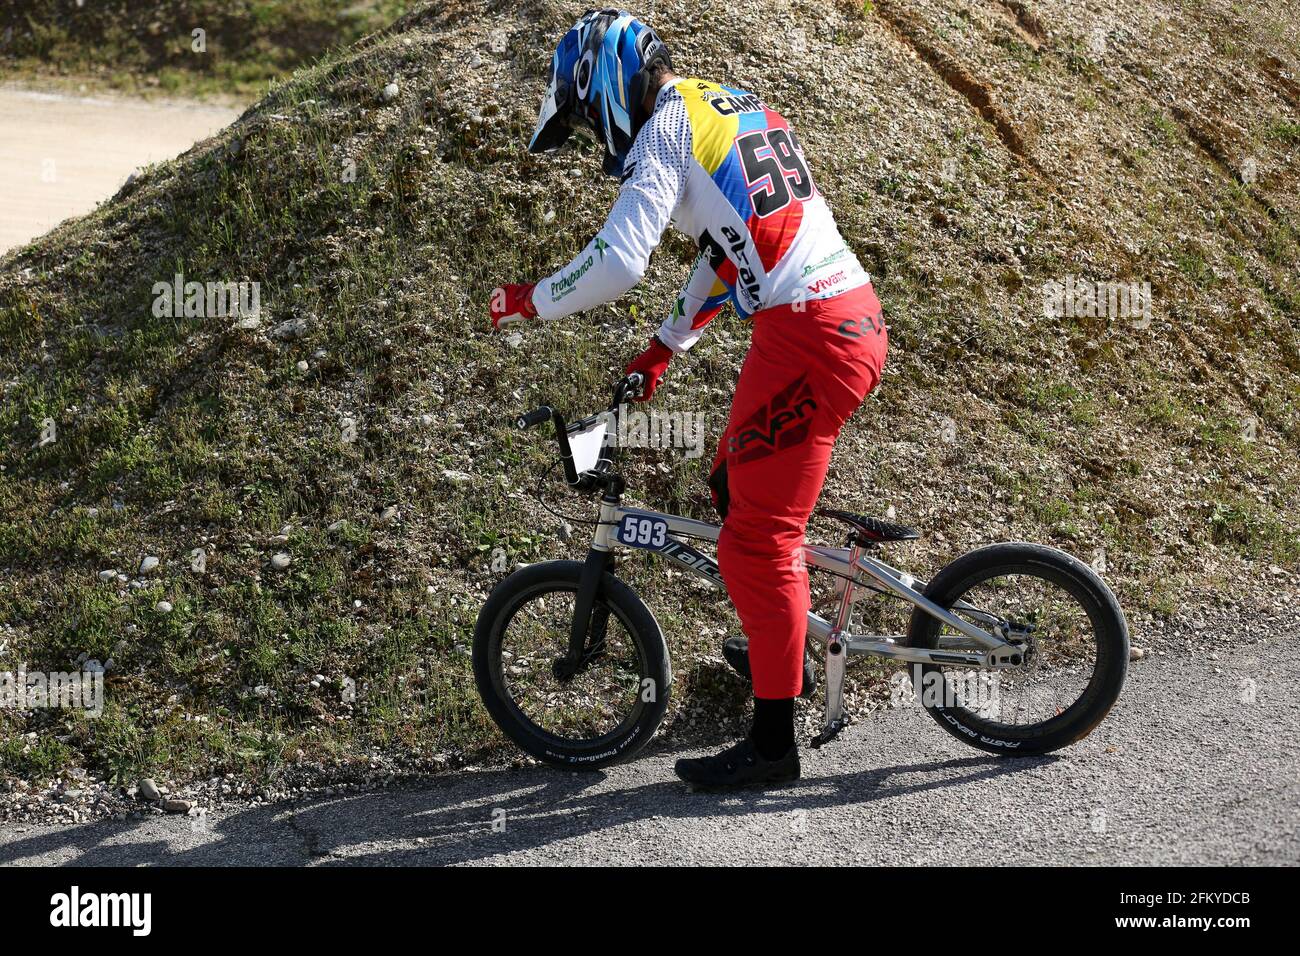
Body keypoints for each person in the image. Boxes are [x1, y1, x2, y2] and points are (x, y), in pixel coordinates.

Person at [490, 8, 887, 789]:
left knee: (755, 540)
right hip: (826, 318)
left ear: (604, 84)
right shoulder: (718, 102)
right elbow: (727, 248)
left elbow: (616, 263)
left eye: (580, 114)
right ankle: (784, 642)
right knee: (732, 484)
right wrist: (664, 350)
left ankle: (774, 744)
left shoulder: (664, 133)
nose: (588, 136)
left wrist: (526, 300)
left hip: (812, 336)